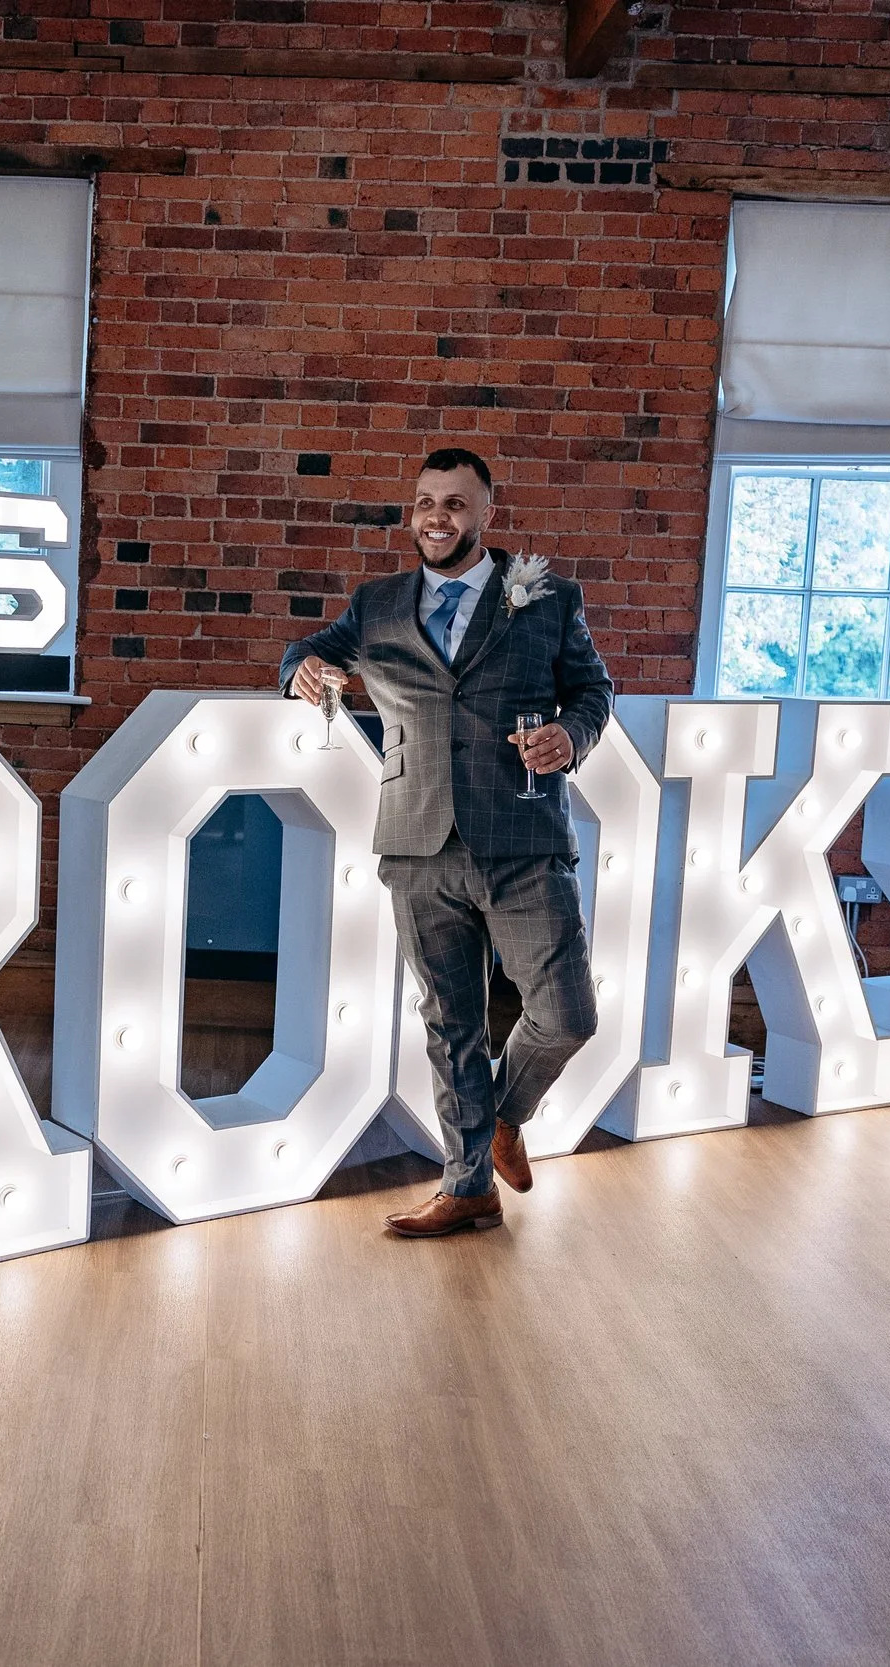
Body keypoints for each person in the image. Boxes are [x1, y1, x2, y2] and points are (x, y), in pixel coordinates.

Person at [278, 446, 612, 1237]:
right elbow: (309, 650)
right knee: (450, 1020)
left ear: (488, 513)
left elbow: (593, 691)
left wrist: (571, 734)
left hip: (524, 837)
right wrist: (302, 669)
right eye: (426, 501)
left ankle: (502, 1117)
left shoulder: (549, 598)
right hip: (418, 841)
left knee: (567, 1013)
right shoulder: (381, 602)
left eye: (456, 504)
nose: (437, 517)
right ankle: (467, 1188)